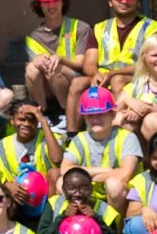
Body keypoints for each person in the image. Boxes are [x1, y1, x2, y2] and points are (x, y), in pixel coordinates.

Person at [24, 0, 93, 133]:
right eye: (46, 1)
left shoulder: (80, 28)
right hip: (47, 89)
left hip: (74, 84)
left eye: (55, 0)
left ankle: (64, 115)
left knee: (53, 67)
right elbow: (31, 76)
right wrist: (36, 60)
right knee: (32, 69)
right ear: (39, 4)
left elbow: (81, 64)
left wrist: (61, 59)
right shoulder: (34, 36)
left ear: (63, 1)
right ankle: (44, 115)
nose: (51, 5)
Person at [59, 85, 140, 214]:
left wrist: (85, 177)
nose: (95, 119)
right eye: (90, 115)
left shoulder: (127, 137)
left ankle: (115, 231)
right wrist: (104, 171)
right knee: (61, 182)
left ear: (112, 114)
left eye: (100, 114)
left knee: (114, 185)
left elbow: (125, 174)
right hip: (89, 193)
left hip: (121, 197)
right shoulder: (80, 139)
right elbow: (65, 170)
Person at [0, 99, 60, 223]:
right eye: (21, 119)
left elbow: (57, 159)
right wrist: (7, 187)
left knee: (55, 172)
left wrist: (42, 120)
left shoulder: (48, 138)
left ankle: (48, 224)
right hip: (17, 199)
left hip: (45, 198)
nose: (26, 124)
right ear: (12, 120)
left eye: (32, 120)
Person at [91, 0, 157, 88]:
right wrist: (96, 74)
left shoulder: (152, 29)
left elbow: (153, 64)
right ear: (110, 1)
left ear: (138, 1)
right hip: (104, 80)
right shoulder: (99, 28)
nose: (124, 1)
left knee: (117, 80)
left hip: (140, 81)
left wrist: (113, 74)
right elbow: (89, 63)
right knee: (80, 84)